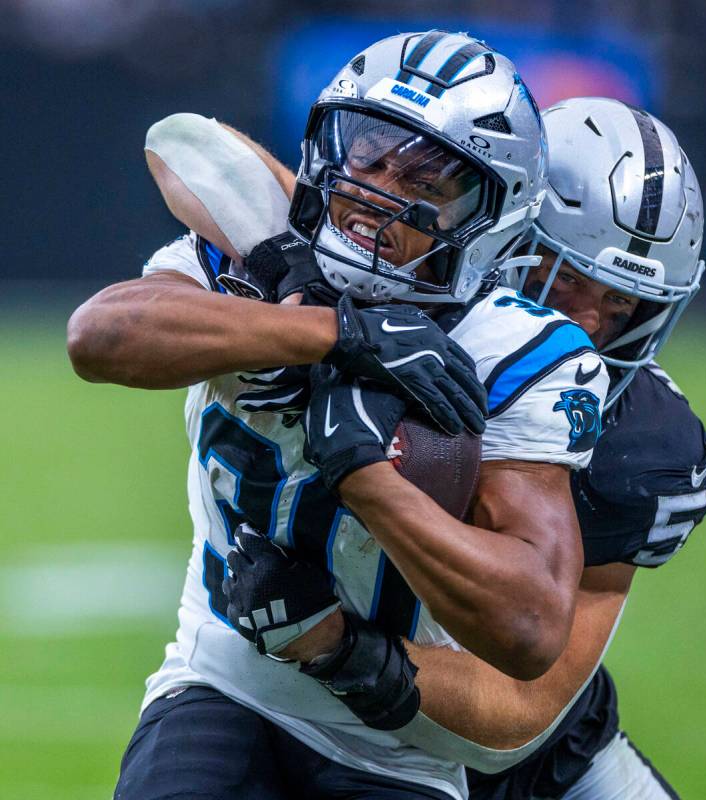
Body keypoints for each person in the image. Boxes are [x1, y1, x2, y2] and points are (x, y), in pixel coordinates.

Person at [67, 31, 609, 800]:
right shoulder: (254, 256)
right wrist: (336, 330)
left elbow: (526, 630)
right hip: (223, 678)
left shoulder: (515, 349)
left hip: (393, 742)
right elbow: (100, 337)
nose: (377, 190)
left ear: (492, 209)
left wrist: (367, 479)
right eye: (368, 153)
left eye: (427, 176)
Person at [165, 97, 706, 798]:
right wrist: (303, 283)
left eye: (621, 306)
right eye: (566, 280)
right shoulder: (372, 295)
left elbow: (520, 714)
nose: (589, 323)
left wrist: (342, 650)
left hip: (541, 763)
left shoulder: (642, 448)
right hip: (300, 719)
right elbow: (192, 146)